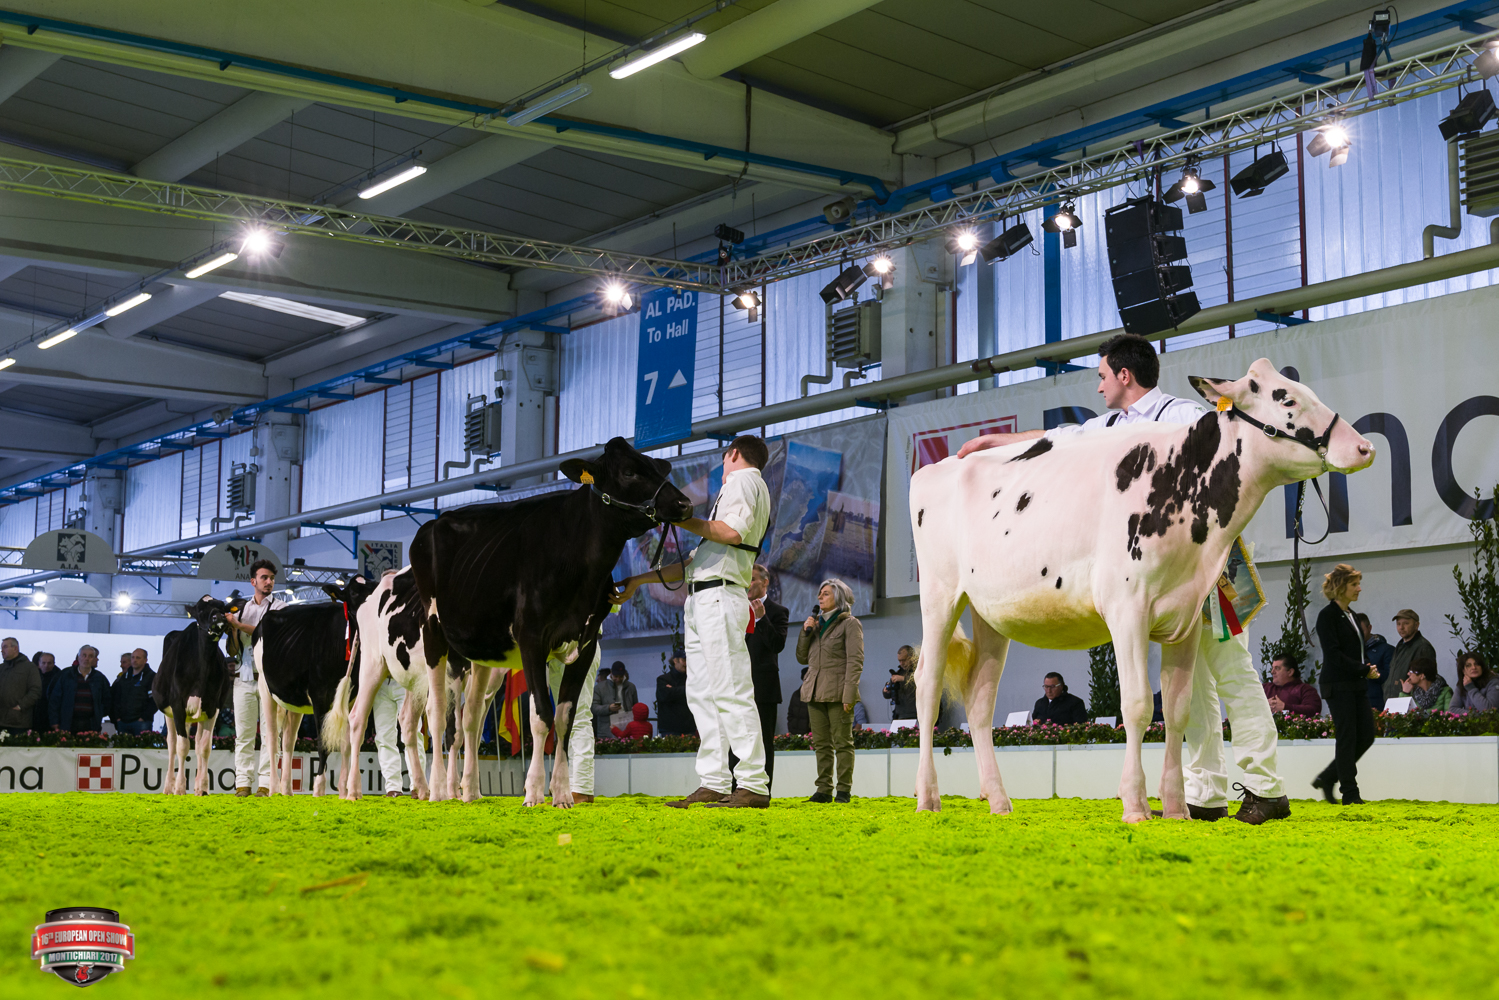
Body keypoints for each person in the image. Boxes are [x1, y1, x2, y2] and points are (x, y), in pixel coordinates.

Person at [959, 332, 1287, 825]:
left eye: (1102, 376)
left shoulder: (1185, 416)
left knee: (1232, 668)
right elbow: (1059, 439)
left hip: (1213, 563)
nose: (1099, 387)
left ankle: (1267, 787)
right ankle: (1205, 791)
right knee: (1191, 685)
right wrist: (994, 443)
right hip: (1161, 570)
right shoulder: (1110, 426)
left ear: (1124, 375)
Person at [611, 435, 773, 809]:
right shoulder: (739, 489)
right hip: (704, 597)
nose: (723, 465)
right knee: (703, 694)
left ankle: (752, 783)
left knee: (730, 690)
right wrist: (639, 580)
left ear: (734, 453)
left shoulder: (744, 481)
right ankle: (714, 781)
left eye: (724, 457)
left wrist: (682, 518)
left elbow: (731, 532)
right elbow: (693, 562)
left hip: (720, 596)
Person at [1312, 564, 1380, 805]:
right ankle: (1350, 793)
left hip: (1355, 684)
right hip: (1338, 685)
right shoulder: (1327, 616)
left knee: (1366, 736)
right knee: (1347, 738)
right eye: (1354, 584)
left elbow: (1356, 651)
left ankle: (1328, 777)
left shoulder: (1351, 615)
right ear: (1340, 587)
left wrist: (1367, 667)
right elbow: (1333, 655)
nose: (1359, 589)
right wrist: (1364, 669)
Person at [796, 578, 863, 804]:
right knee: (821, 744)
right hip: (814, 691)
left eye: (825, 593)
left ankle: (843, 791)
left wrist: (849, 694)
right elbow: (801, 657)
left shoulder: (850, 624)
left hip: (838, 692)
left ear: (839, 597)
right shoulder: (815, 625)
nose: (820, 597)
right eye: (820, 593)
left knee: (843, 743)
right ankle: (823, 790)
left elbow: (855, 661)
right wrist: (805, 632)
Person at [224, 561, 284, 797]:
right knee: (244, 735)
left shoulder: (280, 607)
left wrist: (239, 625)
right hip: (243, 676)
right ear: (253, 581)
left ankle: (267, 784)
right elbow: (232, 650)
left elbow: (266, 633)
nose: (269, 582)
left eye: (271, 578)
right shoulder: (241, 609)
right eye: (264, 578)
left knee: (271, 734)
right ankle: (243, 783)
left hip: (270, 679)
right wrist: (232, 629)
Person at [743, 563, 788, 786]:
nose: (747, 584)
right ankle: (736, 789)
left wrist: (762, 619)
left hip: (763, 688)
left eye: (752, 579)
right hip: (737, 686)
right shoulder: (736, 609)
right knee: (736, 741)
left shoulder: (777, 611)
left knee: (763, 742)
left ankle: (762, 790)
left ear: (765, 582)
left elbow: (777, 645)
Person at [548, 647, 597, 803]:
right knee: (565, 721)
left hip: (578, 647)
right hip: (557, 655)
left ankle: (582, 789)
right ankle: (573, 788)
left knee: (578, 717)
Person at [49, 645, 111, 732]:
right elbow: (55, 700)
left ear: (94, 659)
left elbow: (107, 700)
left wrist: (99, 713)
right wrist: (55, 721)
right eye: (84, 655)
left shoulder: (100, 678)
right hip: (68, 723)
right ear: (78, 658)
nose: (87, 659)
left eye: (90, 656)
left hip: (91, 723)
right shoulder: (66, 676)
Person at [1384, 610, 1436, 703]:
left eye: (1406, 623)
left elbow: (1426, 680)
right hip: (1394, 701)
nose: (1401, 627)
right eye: (1398, 624)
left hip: (1411, 703)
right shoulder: (1400, 645)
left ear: (1416, 625)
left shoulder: (1423, 647)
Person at [370, 675, 407, 797]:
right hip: (380, 680)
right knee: (384, 736)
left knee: (412, 734)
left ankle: (417, 785)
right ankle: (393, 787)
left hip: (407, 679)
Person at [110, 647, 157, 735]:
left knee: (142, 744)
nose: (134, 660)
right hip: (123, 722)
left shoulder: (151, 677)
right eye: (133, 657)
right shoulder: (124, 677)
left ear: (145, 660)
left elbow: (155, 700)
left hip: (142, 723)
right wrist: (117, 717)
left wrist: (144, 717)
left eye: (138, 658)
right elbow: (116, 698)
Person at [0, 636, 39, 736]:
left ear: (15, 648)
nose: (2, 651)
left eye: (5, 647)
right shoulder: (2, 668)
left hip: (19, 722)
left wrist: (20, 706)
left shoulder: (29, 668)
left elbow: (35, 691)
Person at [1356, 612, 1394, 711]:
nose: (1358, 635)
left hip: (1377, 703)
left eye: (1361, 631)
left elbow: (1391, 677)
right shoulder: (1350, 651)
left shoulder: (1386, 650)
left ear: (1369, 628)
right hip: (1354, 701)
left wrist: (1371, 672)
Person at [655, 650, 694, 736]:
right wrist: (687, 689)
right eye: (684, 660)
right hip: (670, 728)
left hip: (688, 727)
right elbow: (664, 695)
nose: (686, 663)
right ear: (675, 661)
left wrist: (673, 690)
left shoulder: (690, 679)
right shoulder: (663, 679)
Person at [884, 646, 918, 721]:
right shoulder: (899, 673)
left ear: (912, 657)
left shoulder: (919, 670)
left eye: (904, 660)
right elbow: (888, 695)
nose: (901, 663)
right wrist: (887, 691)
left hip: (917, 714)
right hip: (900, 715)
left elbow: (922, 682)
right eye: (899, 661)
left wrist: (903, 679)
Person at [32, 651, 58, 734]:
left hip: (51, 716)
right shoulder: (32, 677)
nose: (46, 665)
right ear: (39, 664)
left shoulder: (58, 678)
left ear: (53, 664)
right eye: (43, 663)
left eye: (49, 663)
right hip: (35, 716)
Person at [591, 666, 613, 740]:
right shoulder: (597, 691)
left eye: (599, 678)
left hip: (601, 730)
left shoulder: (598, 690)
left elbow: (594, 708)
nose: (597, 681)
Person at [786, 668, 810, 735]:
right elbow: (790, 714)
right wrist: (791, 727)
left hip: (809, 735)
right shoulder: (796, 694)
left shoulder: (815, 695)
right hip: (794, 734)